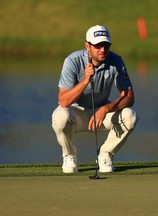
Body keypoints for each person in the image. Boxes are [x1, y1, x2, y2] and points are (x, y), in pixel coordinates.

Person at [52, 25, 138, 174]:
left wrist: (105, 109)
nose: (103, 50)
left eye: (106, 45)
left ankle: (105, 155)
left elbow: (129, 97)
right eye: (98, 46)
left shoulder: (116, 61)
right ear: (87, 45)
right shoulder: (72, 61)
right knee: (60, 116)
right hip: (76, 113)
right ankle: (70, 156)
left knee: (130, 116)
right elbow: (64, 101)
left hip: (102, 113)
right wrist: (85, 80)